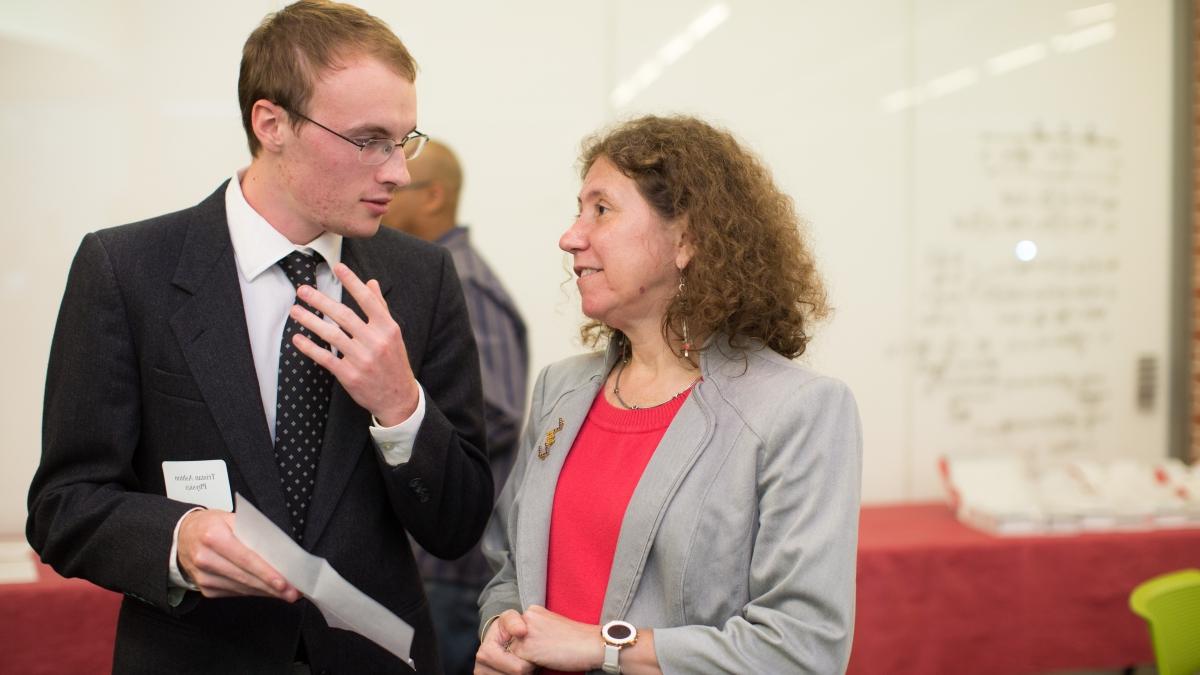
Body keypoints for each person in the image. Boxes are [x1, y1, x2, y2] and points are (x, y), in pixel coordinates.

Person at [26, 2, 493, 673]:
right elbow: (63, 505)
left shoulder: (422, 279)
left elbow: (457, 525)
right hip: (197, 653)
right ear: (271, 124)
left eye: (404, 140)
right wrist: (178, 537)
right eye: (370, 141)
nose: (398, 171)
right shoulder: (129, 272)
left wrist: (401, 409)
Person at [474, 115, 863, 675]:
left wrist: (602, 646)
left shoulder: (799, 411)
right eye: (577, 209)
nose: (570, 236)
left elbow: (802, 648)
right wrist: (501, 629)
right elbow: (508, 565)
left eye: (601, 210)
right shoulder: (560, 389)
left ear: (685, 238)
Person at [382, 140, 529, 675]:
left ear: (433, 197)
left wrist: (395, 406)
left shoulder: (462, 283)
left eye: (397, 185)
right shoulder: (433, 275)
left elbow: (498, 411)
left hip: (451, 566)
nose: (381, 192)